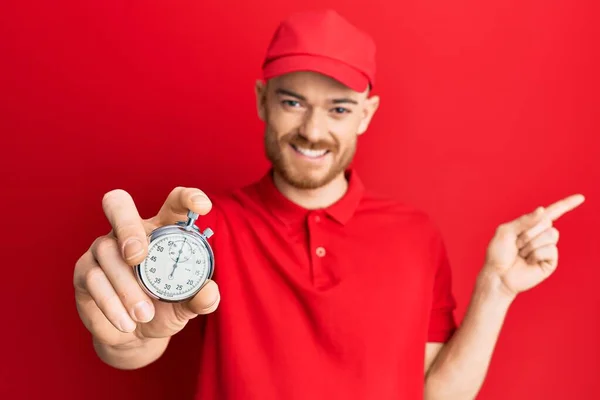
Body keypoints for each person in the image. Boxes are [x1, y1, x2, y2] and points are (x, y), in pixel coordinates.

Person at [73, 9, 584, 400]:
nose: (313, 131)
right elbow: (137, 343)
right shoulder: (207, 225)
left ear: (366, 115)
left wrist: (496, 288)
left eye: (338, 108)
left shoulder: (416, 235)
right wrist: (126, 329)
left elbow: (435, 393)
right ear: (261, 99)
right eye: (292, 102)